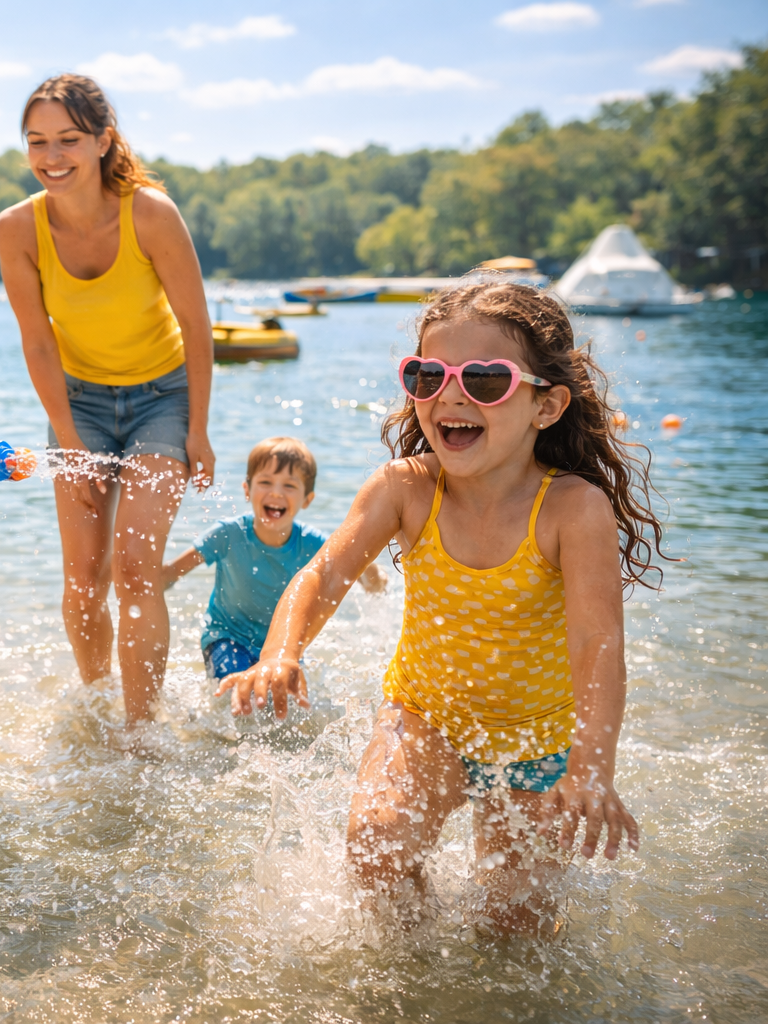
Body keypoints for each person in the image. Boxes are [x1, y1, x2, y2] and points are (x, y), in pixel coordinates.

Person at [221, 283, 662, 931]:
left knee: (516, 927)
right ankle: (416, 968)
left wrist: (591, 765)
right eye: (428, 376)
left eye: (485, 379)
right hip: (426, 715)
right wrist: (281, 653)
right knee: (376, 851)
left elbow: (599, 644)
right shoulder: (406, 489)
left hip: (537, 741)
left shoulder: (572, 508)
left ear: (547, 405)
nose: (450, 395)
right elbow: (322, 574)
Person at [0, 73, 215, 726]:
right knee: (83, 583)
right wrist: (65, 437)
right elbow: (38, 343)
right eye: (36, 141)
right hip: (79, 405)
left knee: (135, 567)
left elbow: (197, 326)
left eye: (67, 139)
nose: (50, 157)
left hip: (162, 399)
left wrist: (197, 431)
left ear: (102, 141)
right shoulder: (17, 230)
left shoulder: (149, 212)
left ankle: (141, 731)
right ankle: (97, 707)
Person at [162, 437, 384, 685]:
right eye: (265, 482)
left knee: (290, 706)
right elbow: (172, 573)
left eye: (289, 485)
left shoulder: (312, 544)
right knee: (235, 691)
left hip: (282, 645)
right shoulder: (227, 534)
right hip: (227, 637)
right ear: (247, 490)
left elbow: (357, 561)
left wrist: (373, 576)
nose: (276, 492)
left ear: (307, 499)